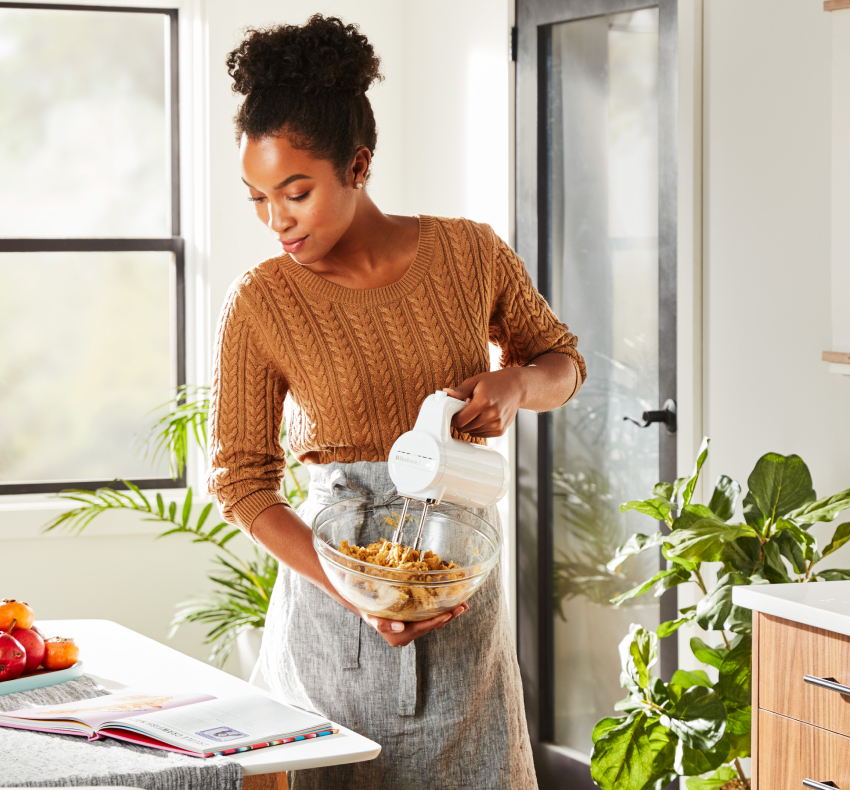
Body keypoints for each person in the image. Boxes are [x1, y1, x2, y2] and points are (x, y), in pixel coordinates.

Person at [206, 15, 583, 789]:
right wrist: (354, 586)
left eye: (296, 192)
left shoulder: (468, 253)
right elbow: (239, 482)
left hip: (459, 585)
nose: (277, 220)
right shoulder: (260, 303)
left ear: (359, 164)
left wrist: (514, 383)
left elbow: (564, 363)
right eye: (257, 199)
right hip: (330, 609)